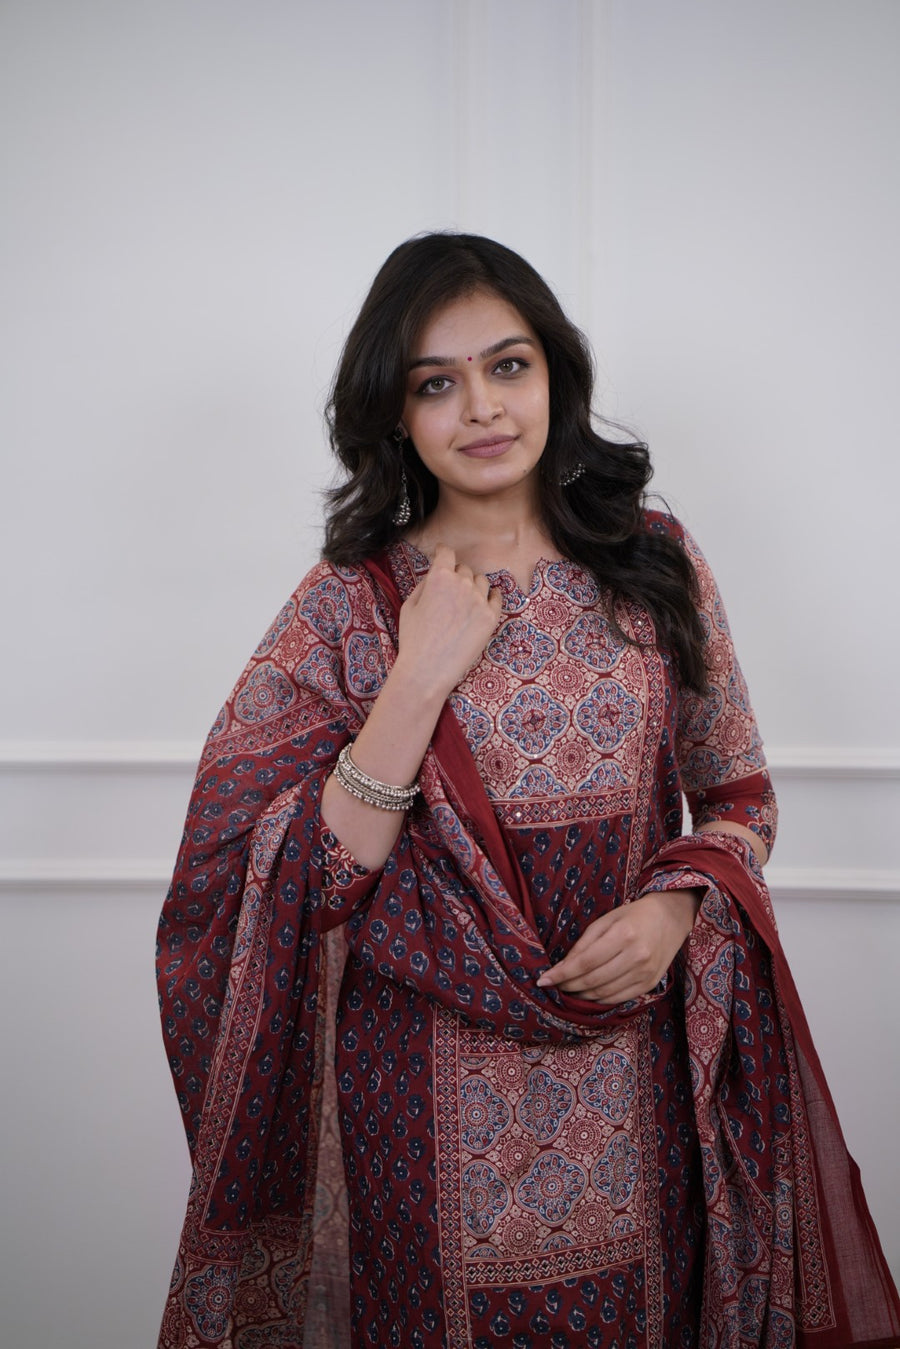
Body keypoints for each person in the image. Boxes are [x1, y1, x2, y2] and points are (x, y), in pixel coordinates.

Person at [156, 234, 900, 1349]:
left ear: (555, 372)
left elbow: (740, 795)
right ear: (394, 413)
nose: (482, 408)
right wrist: (418, 674)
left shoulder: (654, 560)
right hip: (414, 1104)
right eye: (435, 383)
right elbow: (297, 879)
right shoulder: (349, 603)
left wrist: (677, 907)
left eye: (508, 366)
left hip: (636, 1083)